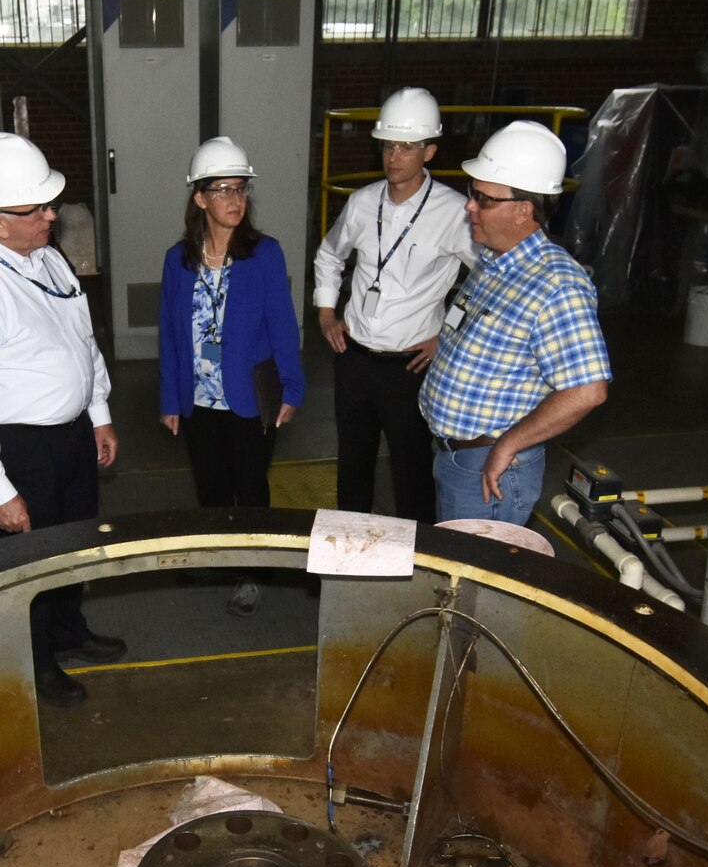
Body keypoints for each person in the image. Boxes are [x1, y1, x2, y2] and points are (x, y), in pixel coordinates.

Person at [0, 133, 126, 709]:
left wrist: (99, 414)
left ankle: (70, 631)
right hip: (22, 451)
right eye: (36, 209)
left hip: (70, 437)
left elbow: (82, 338)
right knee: (30, 568)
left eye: (49, 204)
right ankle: (37, 665)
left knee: (74, 549)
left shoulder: (45, 258)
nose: (52, 215)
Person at [419, 120, 610, 526]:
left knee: (476, 584)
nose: (469, 206)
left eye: (484, 199)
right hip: (456, 458)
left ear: (524, 210)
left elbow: (588, 390)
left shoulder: (556, 284)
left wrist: (509, 444)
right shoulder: (493, 261)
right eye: (473, 193)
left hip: (491, 470)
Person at [312, 88, 475, 523]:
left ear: (430, 151)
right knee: (353, 468)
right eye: (388, 145)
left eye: (406, 146)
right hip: (354, 359)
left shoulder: (456, 213)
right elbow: (330, 255)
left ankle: (416, 567)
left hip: (410, 368)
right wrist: (327, 312)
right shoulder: (363, 203)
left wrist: (448, 335)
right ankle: (351, 559)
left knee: (411, 472)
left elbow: (489, 280)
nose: (394, 156)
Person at [157, 136, 304, 616]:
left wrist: (293, 388)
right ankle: (217, 556)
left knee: (250, 487)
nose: (235, 200)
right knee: (212, 485)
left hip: (249, 397)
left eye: (240, 189)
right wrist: (169, 399)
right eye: (222, 190)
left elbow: (284, 326)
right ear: (200, 197)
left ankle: (252, 573)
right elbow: (171, 335)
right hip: (198, 398)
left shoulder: (265, 255)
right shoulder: (179, 261)